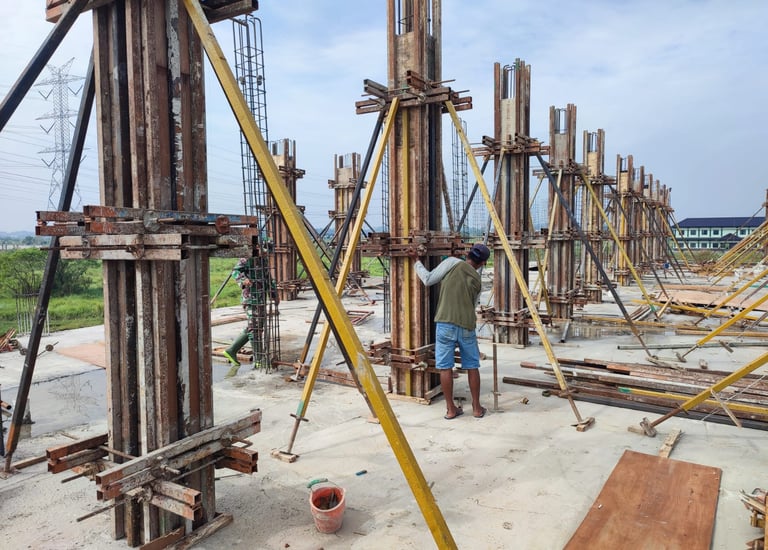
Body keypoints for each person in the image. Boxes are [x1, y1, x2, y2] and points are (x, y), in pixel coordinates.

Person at [413, 242, 490, 420]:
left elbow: (428, 279)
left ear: (467, 254)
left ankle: (451, 409)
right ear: (483, 263)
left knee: (445, 367)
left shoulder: (451, 262)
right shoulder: (477, 281)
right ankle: (477, 408)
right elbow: (472, 305)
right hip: (467, 325)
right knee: (472, 366)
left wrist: (416, 260)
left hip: (445, 323)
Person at [223, 255, 279, 377]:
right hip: (250, 299)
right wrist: (243, 280)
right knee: (254, 328)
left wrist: (274, 294)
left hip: (261, 299)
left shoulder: (263, 260)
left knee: (257, 326)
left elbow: (268, 278)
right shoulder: (246, 259)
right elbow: (235, 271)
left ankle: (231, 350)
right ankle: (259, 359)